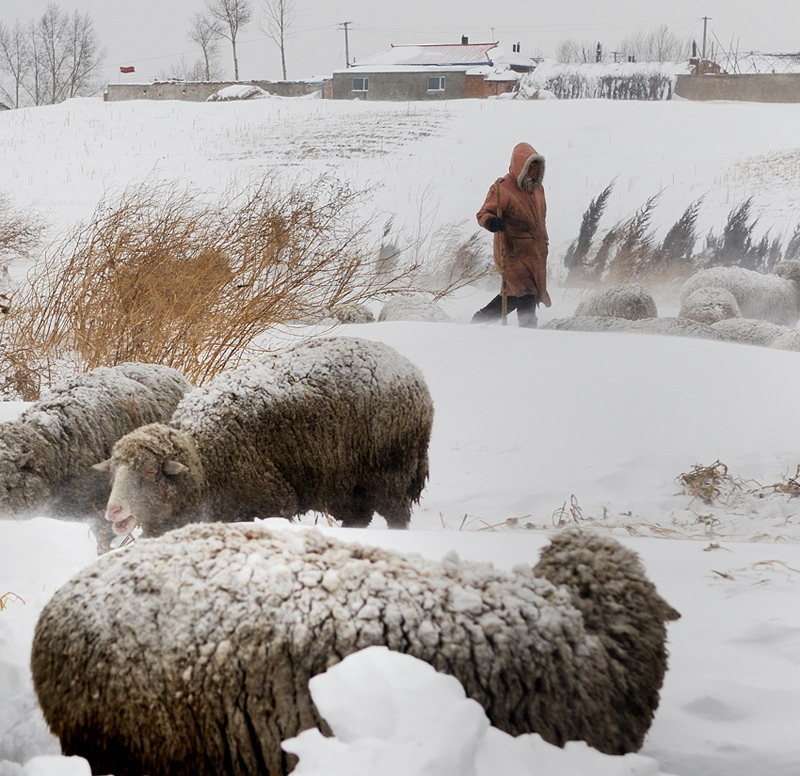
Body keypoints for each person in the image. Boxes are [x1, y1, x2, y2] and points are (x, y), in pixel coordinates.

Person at [472, 142, 551, 328]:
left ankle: (479, 321)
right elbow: (483, 214)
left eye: (536, 166)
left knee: (514, 295)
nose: (533, 170)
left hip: (535, 254)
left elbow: (541, 219)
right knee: (525, 293)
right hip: (512, 252)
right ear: (520, 166)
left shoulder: (538, 190)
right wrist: (493, 222)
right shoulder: (502, 189)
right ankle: (528, 330)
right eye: (529, 166)